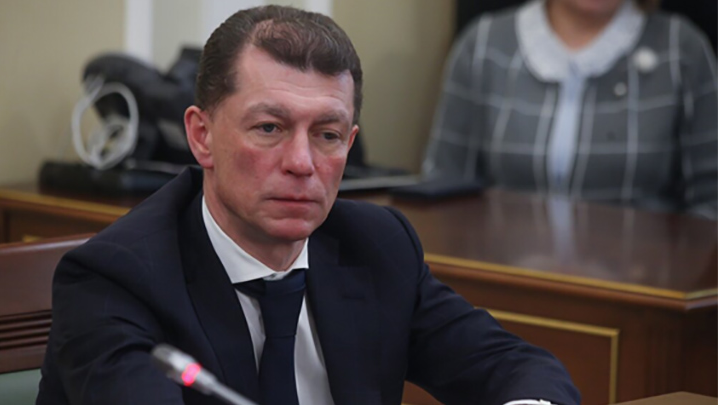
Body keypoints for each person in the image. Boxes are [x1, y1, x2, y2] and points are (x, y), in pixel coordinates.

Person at [36, 6, 580, 405]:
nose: (302, 162)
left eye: (327, 135)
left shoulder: (377, 246)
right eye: (269, 128)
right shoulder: (115, 278)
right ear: (201, 136)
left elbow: (520, 369)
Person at [422, 0, 717, 219]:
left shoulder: (683, 50)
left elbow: (711, 202)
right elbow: (443, 187)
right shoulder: (482, 46)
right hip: (502, 273)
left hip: (644, 277)